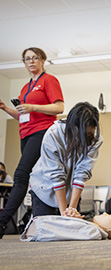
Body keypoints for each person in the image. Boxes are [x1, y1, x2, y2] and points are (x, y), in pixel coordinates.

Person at [0, 47, 64, 238]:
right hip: (25, 134)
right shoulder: (25, 87)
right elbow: (23, 114)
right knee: (33, 179)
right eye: (27, 59)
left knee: (20, 175)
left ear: (43, 60)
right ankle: (37, 219)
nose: (31, 61)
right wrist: (5, 108)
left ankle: (2, 222)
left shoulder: (49, 80)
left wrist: (32, 106)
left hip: (42, 132)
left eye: (35, 58)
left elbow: (59, 107)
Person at [29, 102, 102, 219]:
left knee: (71, 232)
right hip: (45, 188)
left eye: (89, 133)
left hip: (70, 192)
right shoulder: (54, 134)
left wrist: (71, 209)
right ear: (73, 127)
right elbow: (56, 175)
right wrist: (64, 212)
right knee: (45, 233)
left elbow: (82, 173)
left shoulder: (95, 139)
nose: (86, 138)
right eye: (83, 134)